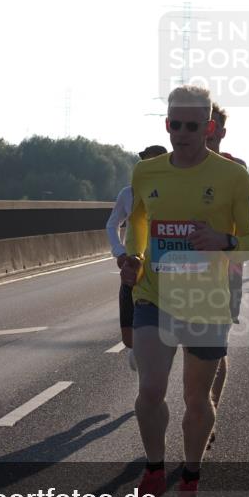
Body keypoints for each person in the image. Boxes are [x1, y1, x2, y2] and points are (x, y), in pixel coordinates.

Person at [122, 85, 249, 497]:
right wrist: (135, 259)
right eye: (173, 125)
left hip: (205, 301)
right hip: (154, 295)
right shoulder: (146, 172)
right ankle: (152, 469)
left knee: (197, 400)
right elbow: (140, 221)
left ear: (209, 128)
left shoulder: (233, 177)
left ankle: (190, 477)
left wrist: (225, 240)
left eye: (191, 126)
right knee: (150, 389)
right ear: (166, 125)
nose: (181, 133)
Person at [204, 102, 246, 451]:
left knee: (216, 350)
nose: (206, 132)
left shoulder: (235, 171)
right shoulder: (173, 171)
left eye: (211, 126)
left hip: (226, 274)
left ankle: (208, 410)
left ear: (221, 131)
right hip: (178, 276)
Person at [106, 145, 168, 371]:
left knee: (157, 340)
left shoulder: (174, 193)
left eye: (153, 161)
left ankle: (150, 391)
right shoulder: (128, 193)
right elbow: (112, 224)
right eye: (144, 162)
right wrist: (119, 252)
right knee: (130, 340)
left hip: (163, 272)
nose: (146, 166)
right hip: (134, 270)